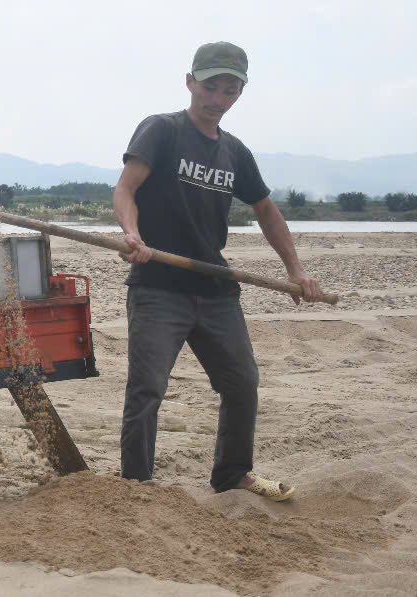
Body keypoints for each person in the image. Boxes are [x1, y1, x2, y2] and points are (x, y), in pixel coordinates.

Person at [113, 41, 324, 501]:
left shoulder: (235, 153)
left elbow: (267, 210)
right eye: (211, 87)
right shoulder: (161, 131)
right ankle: (135, 487)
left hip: (216, 289)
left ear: (239, 94)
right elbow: (126, 188)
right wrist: (133, 235)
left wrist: (296, 271)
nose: (218, 99)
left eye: (230, 91)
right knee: (147, 389)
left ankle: (232, 474)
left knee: (242, 383)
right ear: (190, 82)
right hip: (158, 287)